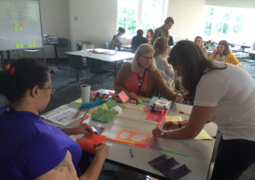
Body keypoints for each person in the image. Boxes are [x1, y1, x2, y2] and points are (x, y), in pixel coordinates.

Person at [152, 41, 255, 180]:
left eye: (176, 67)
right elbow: (209, 113)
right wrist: (180, 125)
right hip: (240, 130)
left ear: (185, 64)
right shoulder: (214, 69)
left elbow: (191, 132)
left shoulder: (210, 80)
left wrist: (162, 134)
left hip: (246, 137)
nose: (177, 73)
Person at [0, 59, 118, 180]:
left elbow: (40, 131)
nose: (50, 93)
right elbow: (37, 140)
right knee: (111, 176)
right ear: (35, 91)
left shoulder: (5, 113)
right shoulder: (40, 142)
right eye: (49, 88)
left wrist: (71, 131)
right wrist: (100, 157)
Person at [114, 44, 182, 102]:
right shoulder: (127, 66)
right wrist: (127, 93)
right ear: (138, 56)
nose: (149, 61)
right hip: (126, 100)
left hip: (144, 104)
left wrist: (175, 96)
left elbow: (164, 90)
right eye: (146, 57)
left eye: (151, 58)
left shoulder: (154, 72)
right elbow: (116, 84)